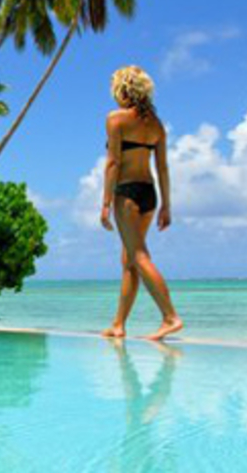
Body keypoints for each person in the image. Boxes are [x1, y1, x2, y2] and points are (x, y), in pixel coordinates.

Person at [99, 66, 183, 340]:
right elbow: (163, 169)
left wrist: (106, 202)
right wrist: (166, 206)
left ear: (122, 90)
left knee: (139, 256)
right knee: (129, 261)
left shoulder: (116, 119)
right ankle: (119, 325)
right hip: (149, 194)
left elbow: (113, 162)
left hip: (127, 193)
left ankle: (170, 317)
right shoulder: (156, 125)